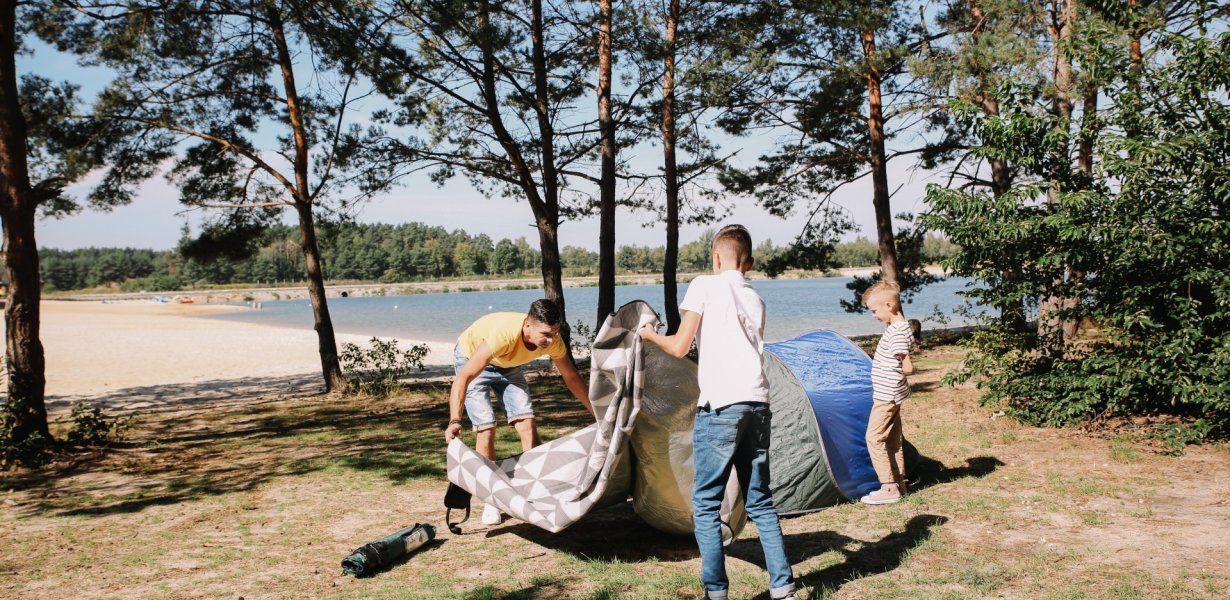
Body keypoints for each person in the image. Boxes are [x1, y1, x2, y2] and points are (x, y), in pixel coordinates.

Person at [639, 224, 803, 600]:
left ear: (715, 258)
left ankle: (716, 591)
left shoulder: (704, 285)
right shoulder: (755, 298)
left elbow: (680, 347)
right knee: (760, 500)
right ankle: (783, 587)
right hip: (758, 403)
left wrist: (648, 334)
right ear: (750, 263)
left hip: (721, 406)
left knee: (706, 503)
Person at [443, 298, 594, 525]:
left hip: (508, 365)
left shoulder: (553, 341)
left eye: (554, 333)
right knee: (486, 428)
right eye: (546, 334)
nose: (551, 340)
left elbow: (571, 376)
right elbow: (464, 377)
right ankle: (492, 499)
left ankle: (537, 490)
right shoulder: (503, 335)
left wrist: (595, 411)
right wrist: (455, 419)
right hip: (471, 357)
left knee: (527, 424)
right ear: (528, 326)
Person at [860, 281, 914, 505]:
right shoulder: (901, 327)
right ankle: (899, 483)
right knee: (892, 439)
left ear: (889, 306)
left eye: (874, 310)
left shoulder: (897, 332)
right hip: (892, 393)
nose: (874, 315)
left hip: (887, 395)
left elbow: (908, 366)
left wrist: (899, 371)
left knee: (873, 438)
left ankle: (888, 487)